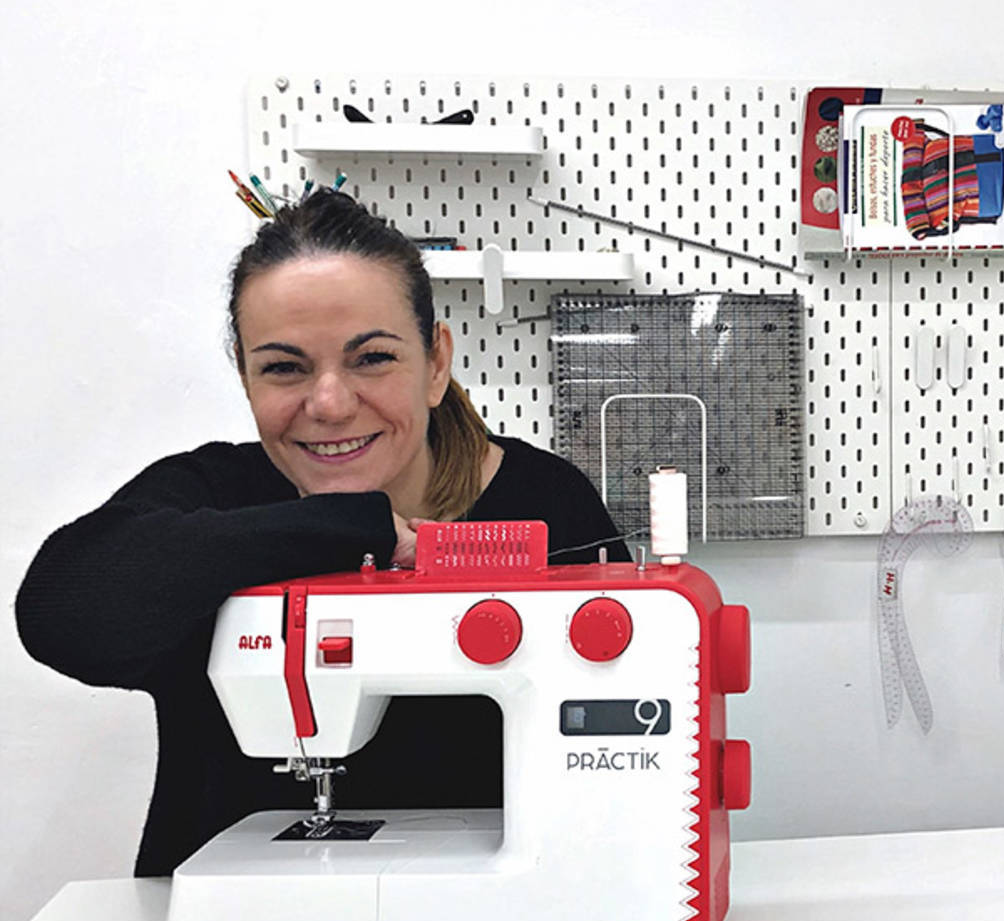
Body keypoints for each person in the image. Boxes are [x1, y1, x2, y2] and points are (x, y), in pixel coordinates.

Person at [16, 189, 630, 877]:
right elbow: (59, 613)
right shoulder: (212, 497)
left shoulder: (545, 506)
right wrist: (358, 529)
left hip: (484, 919)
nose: (330, 404)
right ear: (246, 378)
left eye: (372, 358)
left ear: (435, 364)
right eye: (284, 367)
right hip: (234, 918)